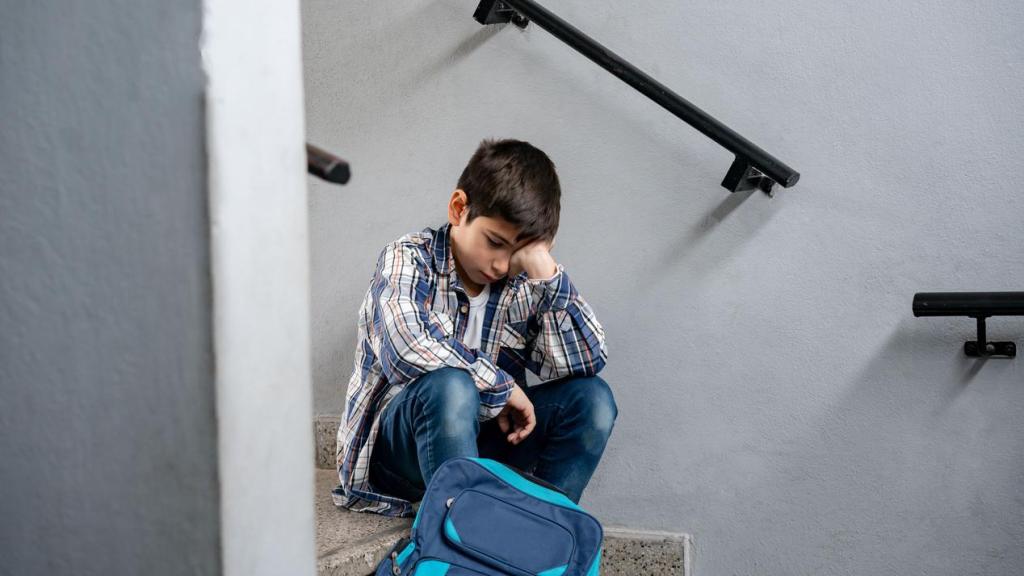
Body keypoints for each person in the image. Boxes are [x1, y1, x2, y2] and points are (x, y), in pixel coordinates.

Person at [333, 139, 616, 517]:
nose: (501, 265)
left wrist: (545, 273)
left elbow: (587, 360)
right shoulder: (409, 257)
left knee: (593, 400)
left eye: (516, 254)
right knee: (452, 385)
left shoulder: (523, 286)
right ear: (458, 209)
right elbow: (406, 347)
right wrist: (502, 385)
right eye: (494, 243)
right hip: (398, 455)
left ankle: (540, 532)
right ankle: (469, 539)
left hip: (483, 446)